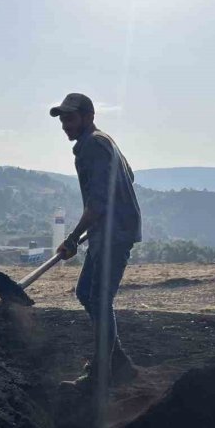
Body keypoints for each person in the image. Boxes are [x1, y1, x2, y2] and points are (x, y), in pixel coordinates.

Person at [50, 93, 142, 385]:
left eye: (70, 118)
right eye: (62, 120)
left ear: (89, 117)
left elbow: (99, 201)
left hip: (115, 232)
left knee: (100, 299)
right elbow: (129, 177)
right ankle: (119, 363)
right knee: (85, 293)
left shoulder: (93, 145)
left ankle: (102, 374)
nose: (65, 125)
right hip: (108, 229)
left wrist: (73, 238)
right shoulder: (104, 141)